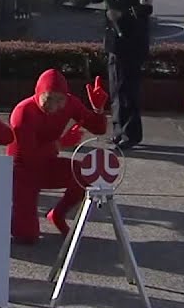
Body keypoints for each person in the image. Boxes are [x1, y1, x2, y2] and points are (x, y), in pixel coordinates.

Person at [8, 69, 109, 245]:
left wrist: (98, 110)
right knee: (26, 236)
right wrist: (60, 144)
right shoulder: (23, 112)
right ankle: (8, 217)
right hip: (21, 170)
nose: (54, 105)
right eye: (49, 99)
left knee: (85, 174)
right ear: (38, 94)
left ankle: (58, 214)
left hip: (47, 163)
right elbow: (29, 157)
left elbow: (98, 129)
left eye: (60, 100)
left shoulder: (71, 103)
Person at [85, 0, 155, 149]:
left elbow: (146, 8)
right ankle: (118, 131)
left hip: (132, 42)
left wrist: (122, 14)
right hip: (114, 42)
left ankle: (130, 134)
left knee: (128, 90)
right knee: (116, 89)